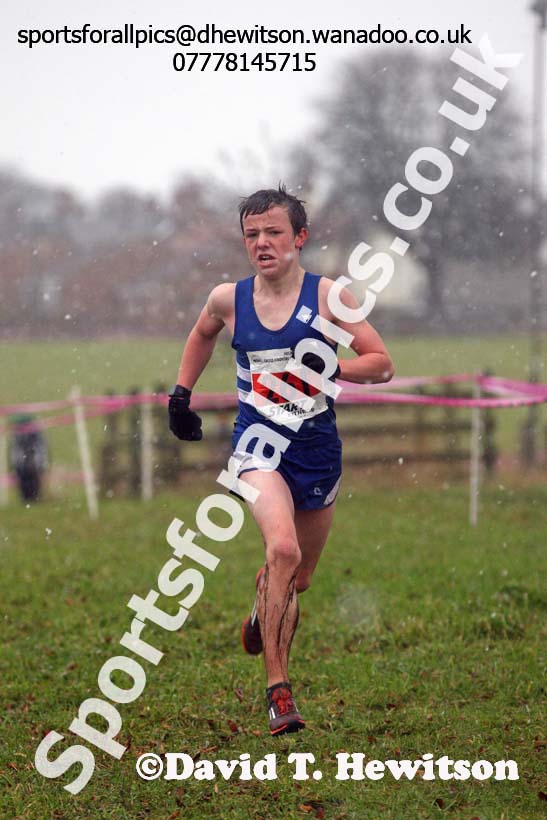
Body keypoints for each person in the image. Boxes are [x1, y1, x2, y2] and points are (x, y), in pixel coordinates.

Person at [168, 185, 394, 735]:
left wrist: (330, 372)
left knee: (299, 576)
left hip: (316, 450)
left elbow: (381, 363)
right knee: (283, 547)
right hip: (258, 446)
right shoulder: (229, 299)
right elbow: (201, 334)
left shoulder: (329, 298)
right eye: (252, 234)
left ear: (299, 237)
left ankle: (260, 607)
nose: (262, 243)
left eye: (273, 232)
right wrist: (179, 395)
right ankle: (278, 690)